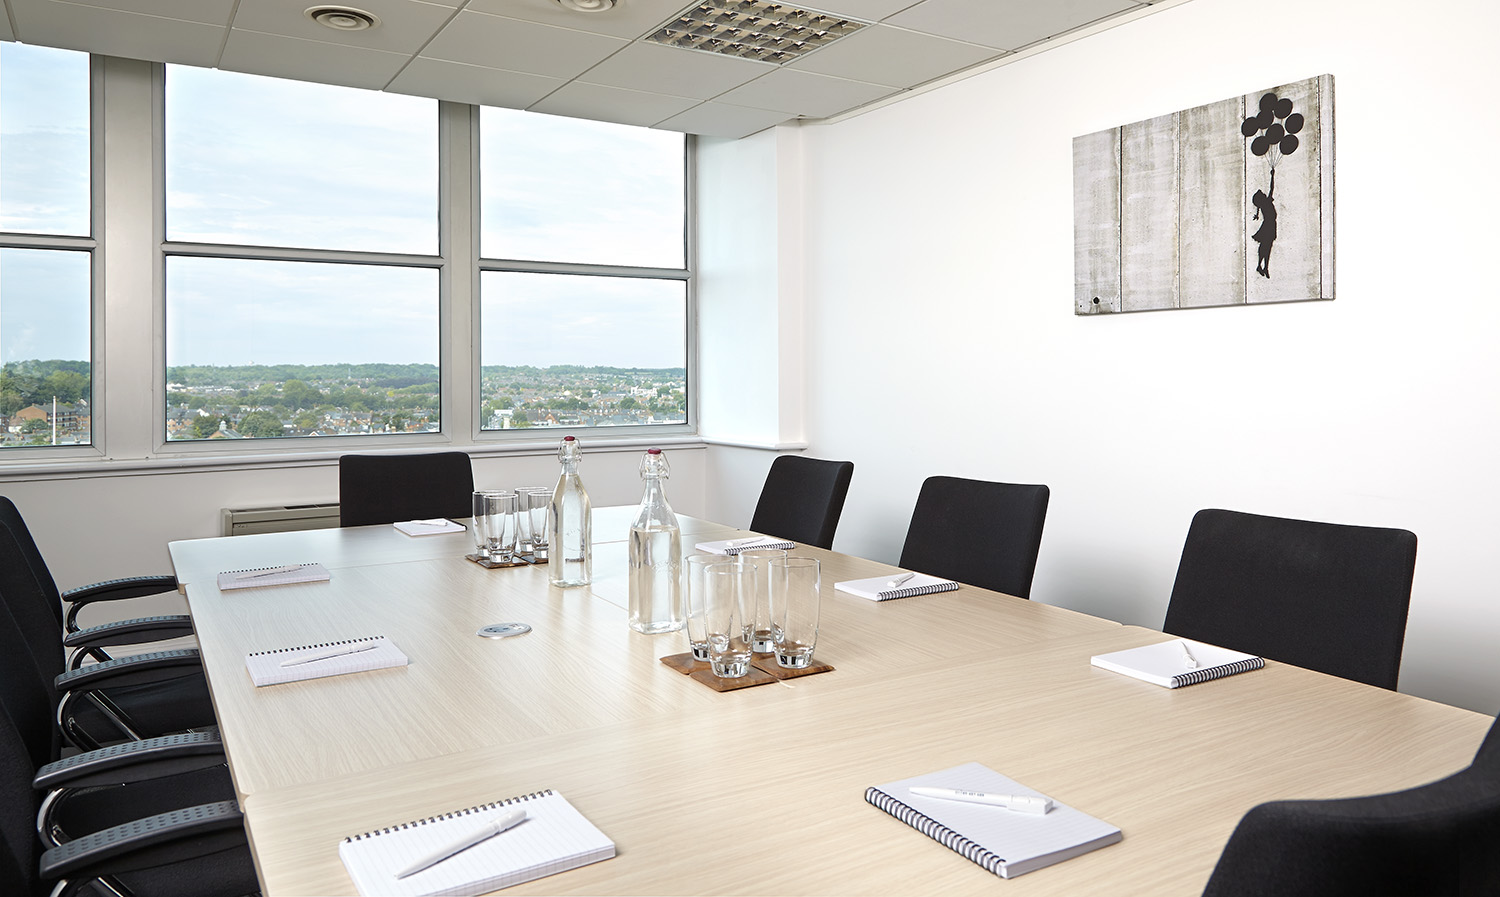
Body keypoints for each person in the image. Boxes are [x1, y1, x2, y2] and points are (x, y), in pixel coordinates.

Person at [1251, 168, 1277, 278]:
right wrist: (1272, 176)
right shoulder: (1266, 201)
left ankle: (1263, 266)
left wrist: (1257, 215)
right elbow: (1272, 188)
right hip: (1269, 225)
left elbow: (1257, 207)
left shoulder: (1263, 204)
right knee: (1267, 245)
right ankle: (1263, 266)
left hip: (1270, 224)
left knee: (1266, 245)